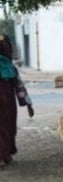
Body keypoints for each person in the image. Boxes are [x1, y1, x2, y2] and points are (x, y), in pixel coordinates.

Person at [0, 34, 34, 168]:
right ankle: (4, 155)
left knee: (6, 128)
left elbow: (19, 86)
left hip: (7, 103)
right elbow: (20, 87)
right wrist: (28, 104)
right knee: (8, 128)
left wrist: (28, 103)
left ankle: (4, 156)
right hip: (8, 103)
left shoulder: (9, 66)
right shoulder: (10, 67)